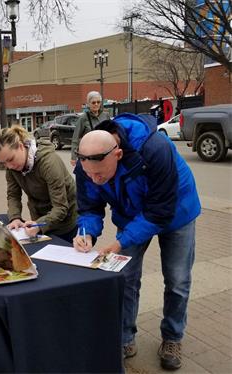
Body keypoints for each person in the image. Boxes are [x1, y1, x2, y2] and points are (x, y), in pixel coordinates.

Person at [72, 114, 200, 370]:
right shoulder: (88, 166)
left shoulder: (155, 149)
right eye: (89, 174)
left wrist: (120, 243)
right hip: (131, 213)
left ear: (117, 155)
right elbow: (89, 206)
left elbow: (159, 212)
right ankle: (125, 338)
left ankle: (172, 337)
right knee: (126, 277)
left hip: (176, 211)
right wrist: (85, 232)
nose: (94, 179)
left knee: (177, 280)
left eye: (100, 174)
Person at [0, 126, 77, 243]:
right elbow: (13, 195)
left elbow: (61, 207)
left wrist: (39, 225)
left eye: (11, 159)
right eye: (3, 163)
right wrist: (15, 218)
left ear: (21, 146)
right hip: (40, 221)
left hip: (66, 223)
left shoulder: (49, 163)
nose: (9, 166)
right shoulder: (11, 168)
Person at [70, 91, 110, 167]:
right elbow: (75, 139)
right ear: (88, 104)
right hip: (89, 154)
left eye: (98, 102)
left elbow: (111, 133)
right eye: (93, 102)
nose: (96, 104)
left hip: (104, 152)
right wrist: (73, 157)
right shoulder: (83, 118)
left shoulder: (105, 115)